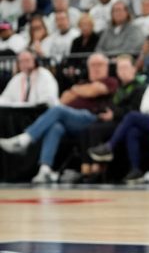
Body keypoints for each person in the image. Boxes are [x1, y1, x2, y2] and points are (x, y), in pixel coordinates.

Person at [0, 53, 117, 183]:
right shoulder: (83, 82)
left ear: (106, 67)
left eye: (99, 65)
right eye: (92, 65)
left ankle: (24, 139)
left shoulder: (110, 81)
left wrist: (75, 90)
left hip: (92, 118)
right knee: (55, 127)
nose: (96, 68)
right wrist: (80, 89)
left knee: (57, 111)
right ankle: (45, 170)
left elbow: (93, 91)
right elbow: (63, 99)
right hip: (72, 121)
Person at [88, 52, 149, 183]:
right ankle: (136, 170)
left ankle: (109, 146)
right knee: (132, 131)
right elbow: (145, 107)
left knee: (131, 117)